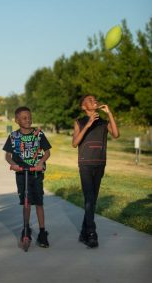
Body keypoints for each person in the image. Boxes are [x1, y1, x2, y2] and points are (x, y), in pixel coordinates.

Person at [72, 95, 119, 248]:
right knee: (89, 198)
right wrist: (88, 124)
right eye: (90, 100)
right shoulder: (79, 121)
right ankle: (92, 233)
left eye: (95, 99)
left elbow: (116, 135)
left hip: (100, 164)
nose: (94, 101)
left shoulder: (103, 123)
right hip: (85, 164)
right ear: (83, 107)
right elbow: (75, 143)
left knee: (92, 200)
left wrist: (109, 113)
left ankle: (84, 232)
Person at [3, 106, 51, 248]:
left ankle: (42, 232)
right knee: (26, 202)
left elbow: (47, 152)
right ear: (17, 120)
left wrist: (41, 162)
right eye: (24, 118)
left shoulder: (38, 134)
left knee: (39, 202)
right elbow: (7, 155)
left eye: (29, 117)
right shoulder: (13, 136)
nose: (28, 120)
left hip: (36, 173)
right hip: (21, 173)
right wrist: (13, 164)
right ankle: (26, 229)